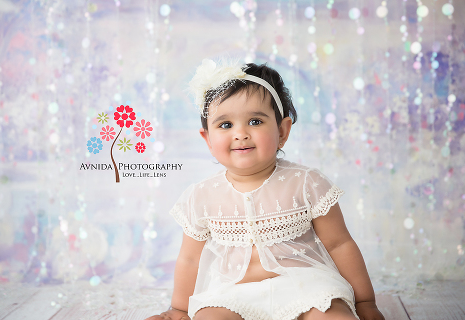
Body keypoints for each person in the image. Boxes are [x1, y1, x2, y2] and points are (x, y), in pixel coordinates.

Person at [147, 59, 385, 320]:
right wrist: (179, 309)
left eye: (255, 122)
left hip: (305, 286)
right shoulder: (202, 196)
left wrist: (365, 302)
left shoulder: (306, 183)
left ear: (283, 131)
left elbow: (340, 244)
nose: (240, 133)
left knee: (332, 315)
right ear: (207, 139)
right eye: (225, 125)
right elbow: (190, 260)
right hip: (231, 294)